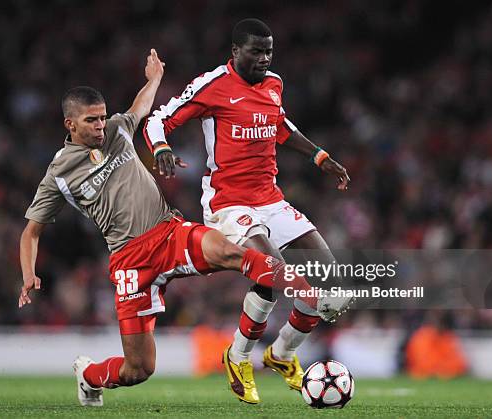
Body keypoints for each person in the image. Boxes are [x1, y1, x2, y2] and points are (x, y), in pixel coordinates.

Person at [18, 49, 341, 407]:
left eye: (103, 117)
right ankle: (89, 376)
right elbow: (31, 230)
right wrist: (28, 273)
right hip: (130, 260)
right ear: (71, 125)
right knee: (138, 369)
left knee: (234, 252)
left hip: (169, 232)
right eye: (92, 120)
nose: (100, 126)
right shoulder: (58, 175)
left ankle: (305, 296)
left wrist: (153, 79)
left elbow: (140, 111)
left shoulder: (116, 130)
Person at [143, 18, 353, 403]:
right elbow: (158, 119)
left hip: (270, 198)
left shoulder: (273, 84)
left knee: (332, 278)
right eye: (256, 51)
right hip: (229, 201)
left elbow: (279, 125)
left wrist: (319, 156)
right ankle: (238, 357)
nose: (264, 58)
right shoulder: (212, 85)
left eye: (268, 51)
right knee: (274, 273)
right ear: (236, 52)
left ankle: (281, 354)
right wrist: (161, 148)